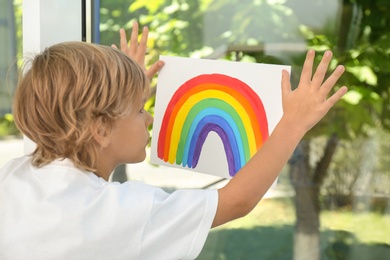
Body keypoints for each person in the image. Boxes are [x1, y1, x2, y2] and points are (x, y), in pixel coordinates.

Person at [0, 21, 347, 260]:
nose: (150, 116)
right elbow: (236, 201)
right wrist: (293, 122)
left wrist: (123, 85)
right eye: (139, 108)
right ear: (101, 130)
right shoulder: (122, 214)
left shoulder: (13, 177)